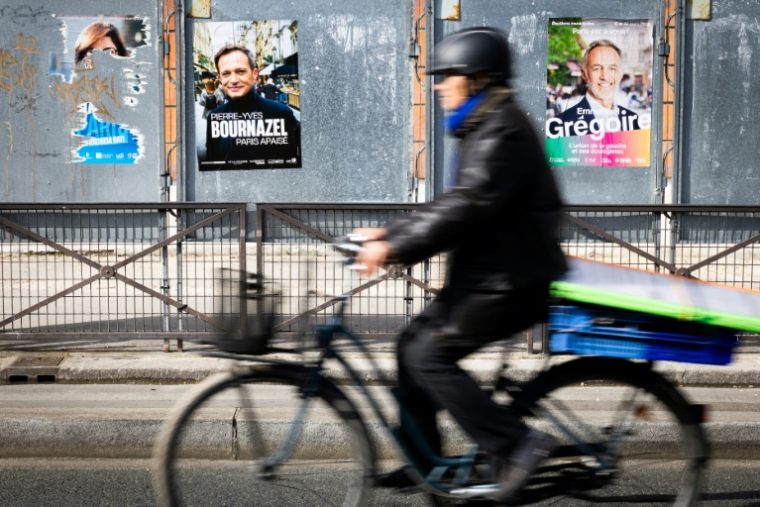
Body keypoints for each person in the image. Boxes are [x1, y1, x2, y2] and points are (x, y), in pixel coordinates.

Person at [353, 27, 567, 502]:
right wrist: (389, 234)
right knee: (410, 345)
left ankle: (520, 442)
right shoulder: (484, 125)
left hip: (510, 282)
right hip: (486, 277)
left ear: (478, 79)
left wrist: (394, 246)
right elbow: (454, 203)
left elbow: (467, 204)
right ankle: (425, 459)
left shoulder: (503, 129)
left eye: (448, 75)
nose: (438, 85)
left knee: (429, 355)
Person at [203, 45, 300, 166]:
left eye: (240, 71)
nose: (233, 80)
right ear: (220, 79)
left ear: (255, 74)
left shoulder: (281, 113)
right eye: (226, 73)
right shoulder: (214, 118)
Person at [548, 40, 643, 138]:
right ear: (584, 75)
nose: (605, 76)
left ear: (620, 74)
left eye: (612, 68)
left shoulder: (633, 120)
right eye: (597, 68)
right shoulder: (561, 125)